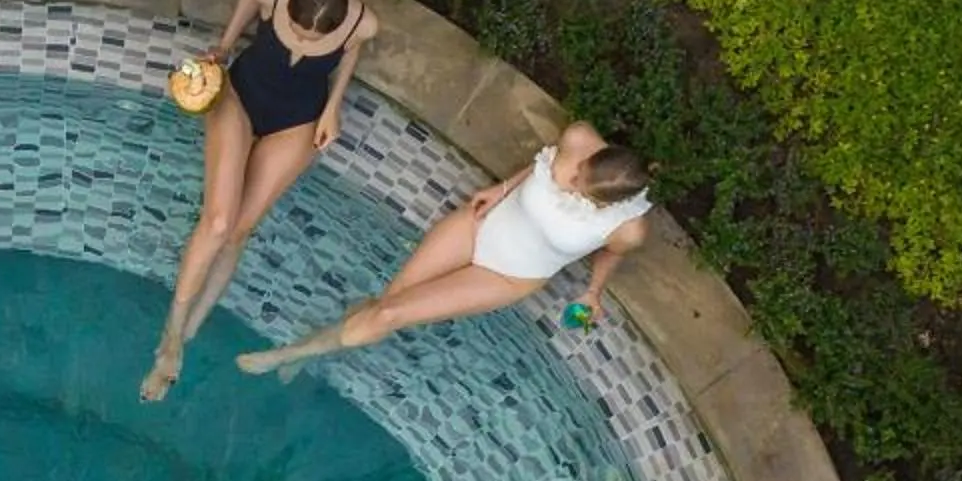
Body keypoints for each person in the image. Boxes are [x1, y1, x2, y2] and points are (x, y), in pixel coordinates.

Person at [237, 120, 652, 374]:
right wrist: (502, 187)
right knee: (390, 300)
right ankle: (316, 347)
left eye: (583, 189)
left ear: (607, 203)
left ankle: (291, 353)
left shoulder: (627, 229)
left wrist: (593, 291)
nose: (572, 181)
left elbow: (611, 252)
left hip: (506, 275)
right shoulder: (579, 137)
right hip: (477, 226)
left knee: (391, 312)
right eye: (579, 172)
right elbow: (541, 164)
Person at [141, 0, 377, 402]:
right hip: (242, 97)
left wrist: (333, 106)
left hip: (298, 119)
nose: (306, 43)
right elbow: (246, 4)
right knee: (216, 222)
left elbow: (354, 49)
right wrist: (223, 47)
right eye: (299, 31)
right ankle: (172, 335)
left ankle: (194, 328)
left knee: (239, 231)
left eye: (316, 39)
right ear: (288, 5)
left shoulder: (361, 23)